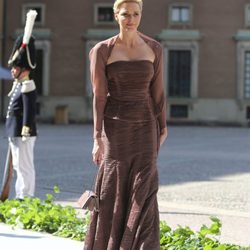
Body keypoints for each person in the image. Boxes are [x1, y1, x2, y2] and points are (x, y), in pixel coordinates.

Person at [84, 0, 167, 249]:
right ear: (115, 16)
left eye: (135, 14)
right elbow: (99, 97)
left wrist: (162, 127)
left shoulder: (154, 47)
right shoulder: (102, 50)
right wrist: (97, 138)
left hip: (146, 126)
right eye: (125, 14)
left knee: (145, 187)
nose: (130, 19)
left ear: (141, 15)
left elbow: (158, 93)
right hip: (115, 126)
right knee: (113, 186)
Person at [5, 34, 37, 200]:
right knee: (18, 165)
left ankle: (27, 196)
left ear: (24, 69)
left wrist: (26, 130)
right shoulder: (18, 85)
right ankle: (20, 194)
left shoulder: (28, 86)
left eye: (15, 67)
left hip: (23, 132)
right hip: (14, 131)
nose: (12, 70)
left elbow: (29, 111)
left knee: (25, 165)